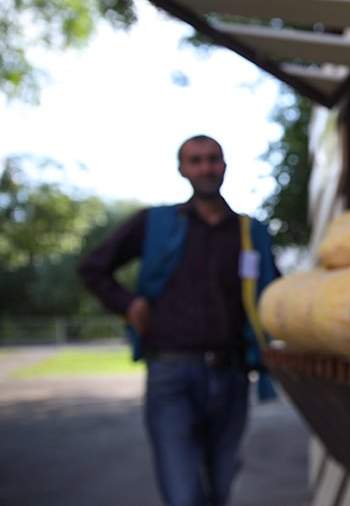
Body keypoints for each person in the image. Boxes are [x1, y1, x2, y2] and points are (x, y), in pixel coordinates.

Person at [78, 135, 280, 506]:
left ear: (225, 165)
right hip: (171, 374)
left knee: (219, 489)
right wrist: (128, 303)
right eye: (196, 160)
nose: (206, 167)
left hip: (232, 375)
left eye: (213, 159)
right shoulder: (154, 223)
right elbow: (93, 268)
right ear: (182, 169)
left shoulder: (251, 233)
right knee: (183, 494)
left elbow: (273, 294)